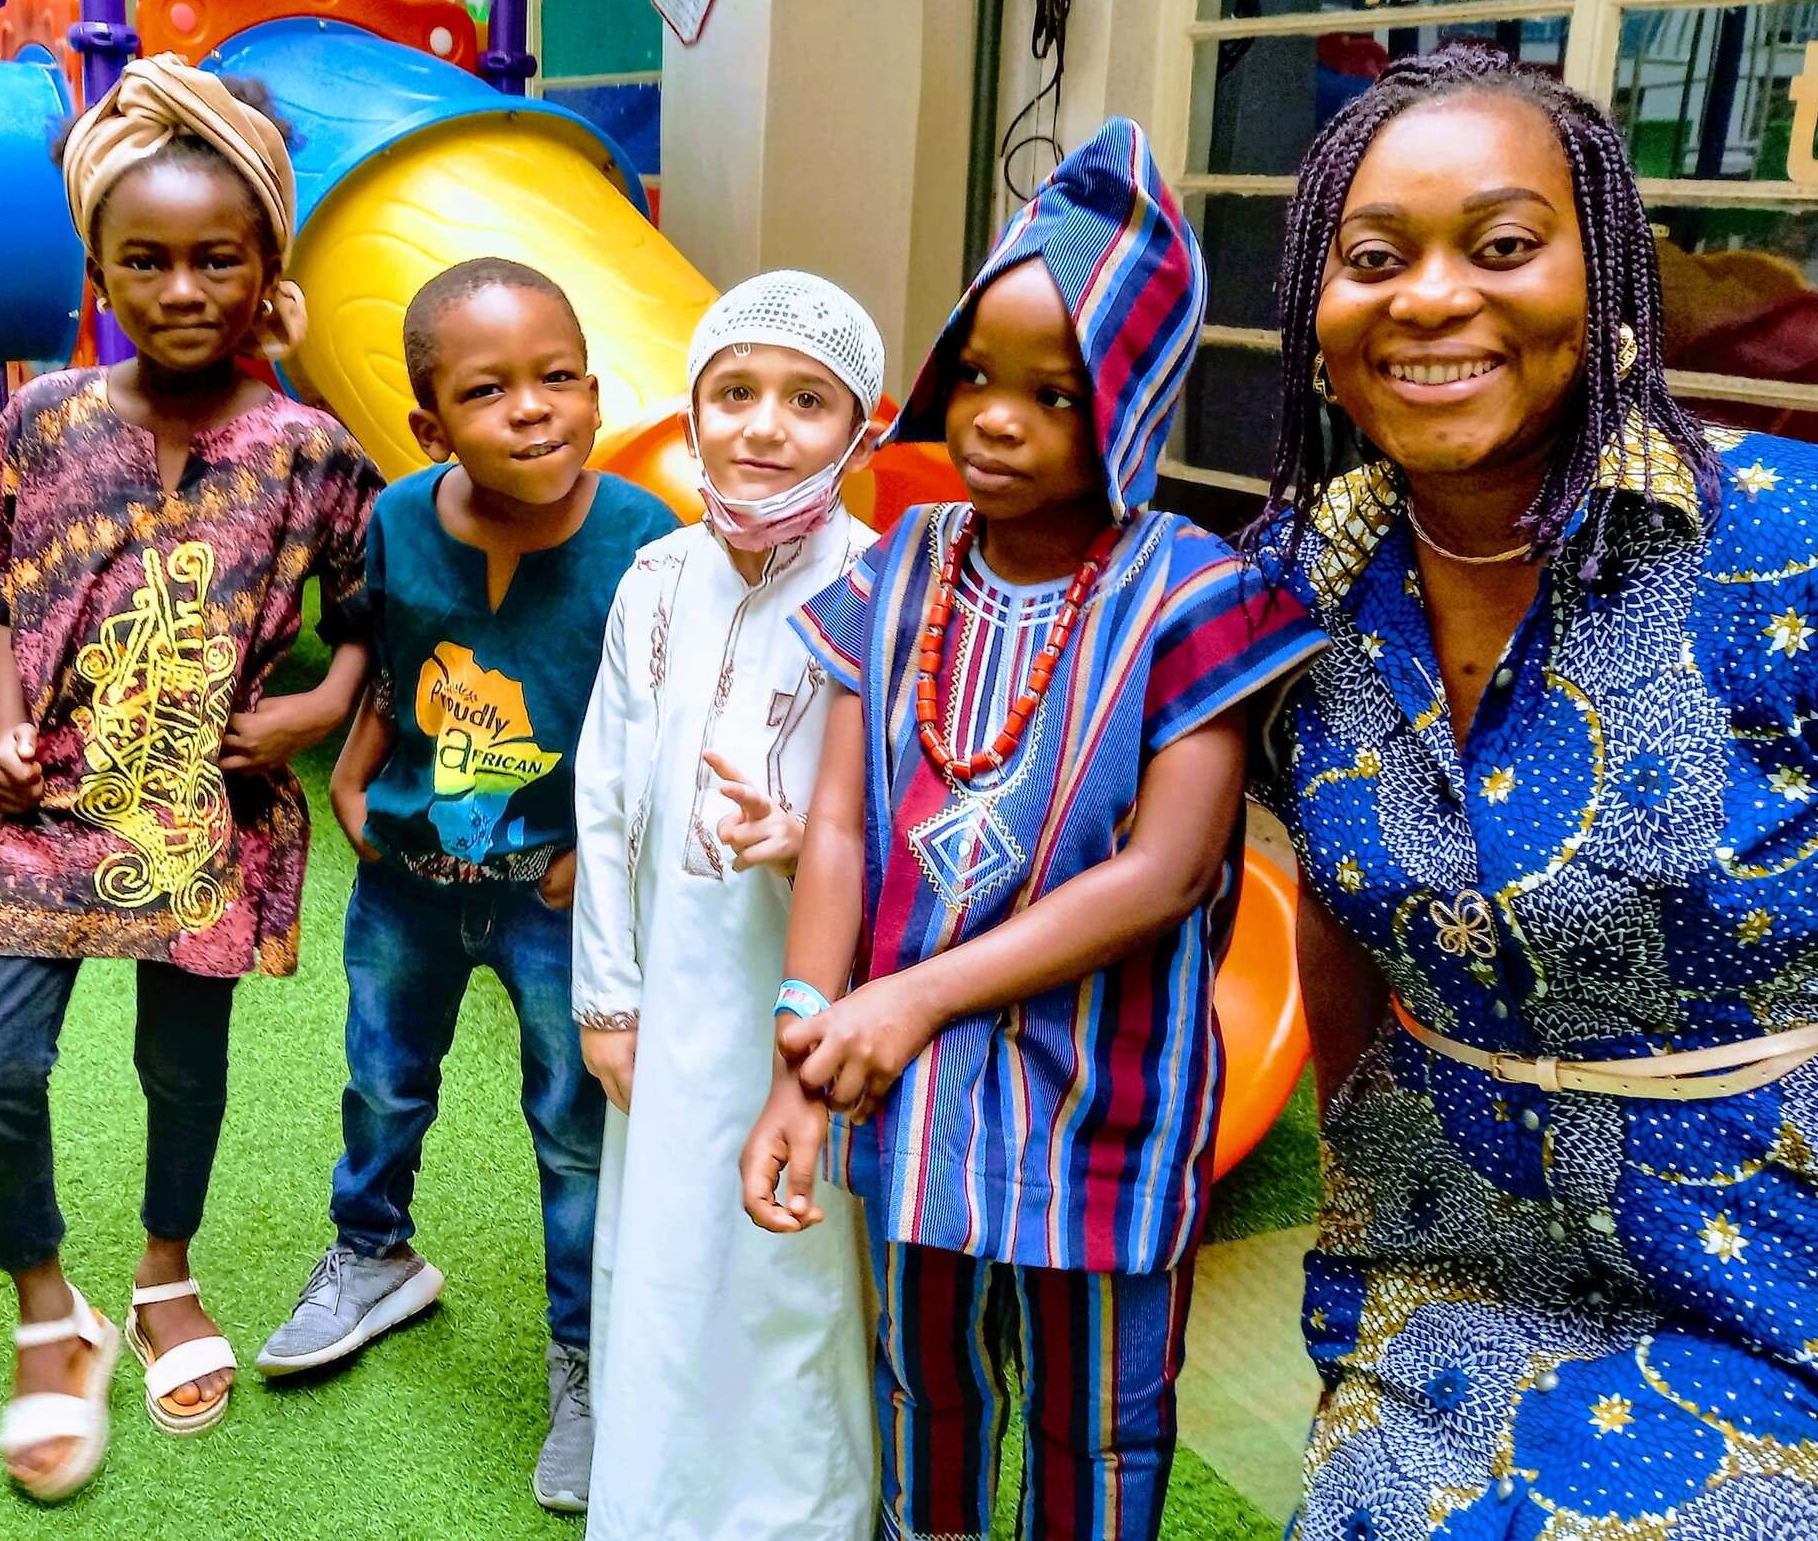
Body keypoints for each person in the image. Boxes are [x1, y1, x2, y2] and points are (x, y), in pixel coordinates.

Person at [1251, 42, 1818, 1536]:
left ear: (1608, 274)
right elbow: (1330, 905)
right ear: (1319, 309)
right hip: (1452, 1271)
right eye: (1375, 257)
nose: (1431, 296)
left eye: (1503, 245)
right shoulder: (1287, 604)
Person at [742, 122, 1325, 1541]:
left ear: (1129, 407)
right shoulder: (902, 571)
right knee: (922, 1383)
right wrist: (806, 1042)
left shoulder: (1191, 593)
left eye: (1054, 394)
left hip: (1103, 1098)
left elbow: (1171, 870)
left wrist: (908, 994)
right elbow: (836, 823)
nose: (998, 418)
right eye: (982, 378)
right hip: (909, 1089)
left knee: (1100, 1410)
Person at [0, 53, 382, 1498]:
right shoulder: (41, 419)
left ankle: (164, 1273)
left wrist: (315, 707)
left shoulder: (315, 450)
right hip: (48, 804)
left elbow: (374, 617)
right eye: (147, 260)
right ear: (99, 270)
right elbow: (0, 589)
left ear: (265, 271)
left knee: (182, 1065)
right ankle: (44, 1299)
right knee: (0, 1065)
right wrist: (4, 716)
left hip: (212, 810)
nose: (183, 287)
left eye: (216, 258)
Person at [261, 257, 675, 1515]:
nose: (533, 408)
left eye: (557, 378)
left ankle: (592, 1359)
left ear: (595, 393)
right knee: (381, 1081)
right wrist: (355, 772)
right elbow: (389, 662)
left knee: (574, 1130)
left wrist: (593, 860)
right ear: (432, 425)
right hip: (406, 885)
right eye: (491, 390)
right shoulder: (391, 522)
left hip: (557, 903)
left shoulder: (645, 543)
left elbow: (660, 731)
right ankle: (374, 1255)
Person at [571, 271, 884, 1541]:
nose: (763, 426)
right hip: (665, 993)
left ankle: (797, 1513)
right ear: (691, 412)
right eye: (734, 392)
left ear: (863, 426)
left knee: (789, 1267)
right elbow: (602, 796)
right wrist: (606, 997)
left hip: (810, 1004)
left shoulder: (889, 588)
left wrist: (804, 839)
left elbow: (908, 818)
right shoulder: (652, 575)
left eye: (807, 399)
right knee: (662, 1251)